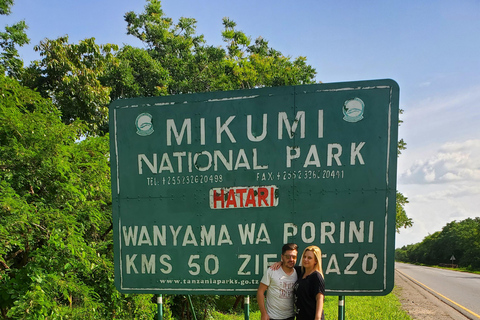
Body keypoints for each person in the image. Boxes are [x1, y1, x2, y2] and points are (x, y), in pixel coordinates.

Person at [257, 243, 299, 320]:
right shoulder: (272, 271)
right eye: (288, 257)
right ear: (282, 257)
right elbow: (260, 292)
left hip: (290, 317)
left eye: (294, 257)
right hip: (272, 317)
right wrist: (263, 313)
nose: (291, 259)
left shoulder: (299, 272)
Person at [294, 245, 326, 320]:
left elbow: (320, 299)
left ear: (316, 261)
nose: (305, 259)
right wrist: (279, 263)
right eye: (304, 257)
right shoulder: (301, 272)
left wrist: (317, 318)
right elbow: (287, 266)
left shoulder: (316, 276)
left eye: (309, 258)